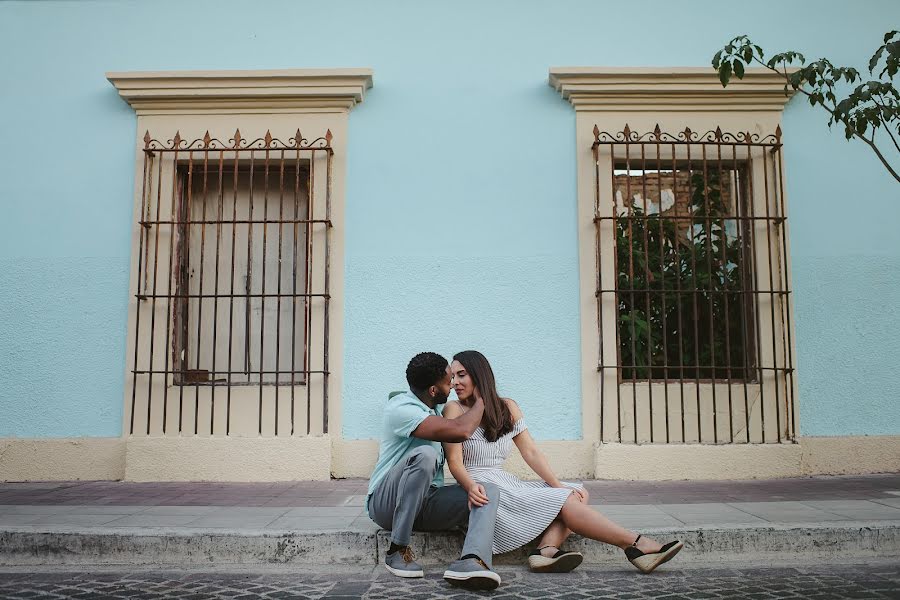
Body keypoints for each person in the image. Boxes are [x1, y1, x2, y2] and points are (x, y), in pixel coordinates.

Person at [442, 350, 684, 574]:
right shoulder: (453, 409)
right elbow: (455, 462)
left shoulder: (507, 407)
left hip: (505, 480)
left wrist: (557, 485)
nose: (454, 383)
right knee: (567, 498)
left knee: (577, 491)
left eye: (461, 375)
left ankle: (546, 550)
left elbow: (531, 453)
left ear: (480, 374)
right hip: (483, 487)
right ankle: (634, 544)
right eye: (452, 377)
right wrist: (471, 487)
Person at [366, 352, 502, 590]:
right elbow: (460, 431)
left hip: (425, 502)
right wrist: (483, 398)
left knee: (487, 490)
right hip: (386, 504)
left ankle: (472, 561)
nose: (453, 384)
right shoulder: (401, 409)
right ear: (432, 390)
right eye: (448, 380)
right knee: (425, 455)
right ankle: (397, 549)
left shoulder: (435, 408)